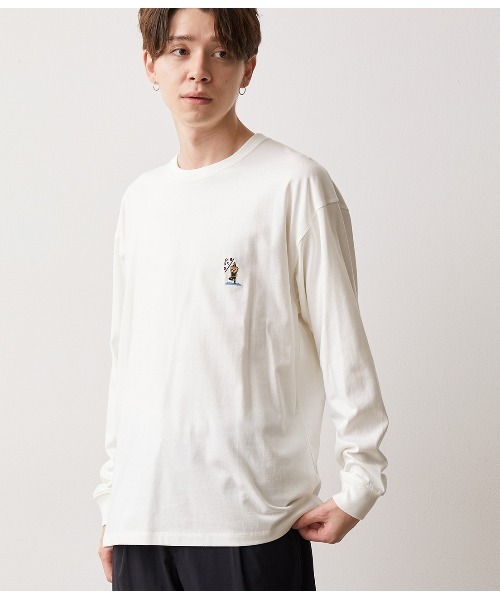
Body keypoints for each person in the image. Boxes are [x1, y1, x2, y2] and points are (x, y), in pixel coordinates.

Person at [93, 7, 389, 591]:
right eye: (180, 50)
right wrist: (113, 500)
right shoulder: (141, 201)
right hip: (141, 522)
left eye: (221, 52)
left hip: (252, 524)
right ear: (150, 64)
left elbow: (343, 343)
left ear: (248, 69)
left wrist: (362, 484)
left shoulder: (295, 185)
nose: (199, 70)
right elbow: (127, 360)